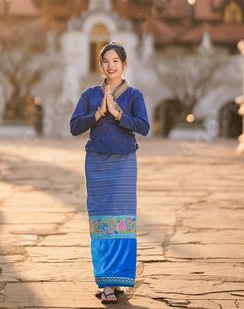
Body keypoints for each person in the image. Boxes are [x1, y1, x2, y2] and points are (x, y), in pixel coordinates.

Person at [70, 41, 150, 305]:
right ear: (101, 65)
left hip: (125, 162)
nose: (111, 66)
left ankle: (116, 280)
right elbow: (74, 127)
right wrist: (99, 112)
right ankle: (106, 284)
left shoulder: (134, 95)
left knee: (123, 222)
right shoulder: (91, 94)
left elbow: (144, 127)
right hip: (96, 162)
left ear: (124, 64)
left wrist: (118, 114)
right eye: (106, 61)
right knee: (102, 222)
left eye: (116, 61)